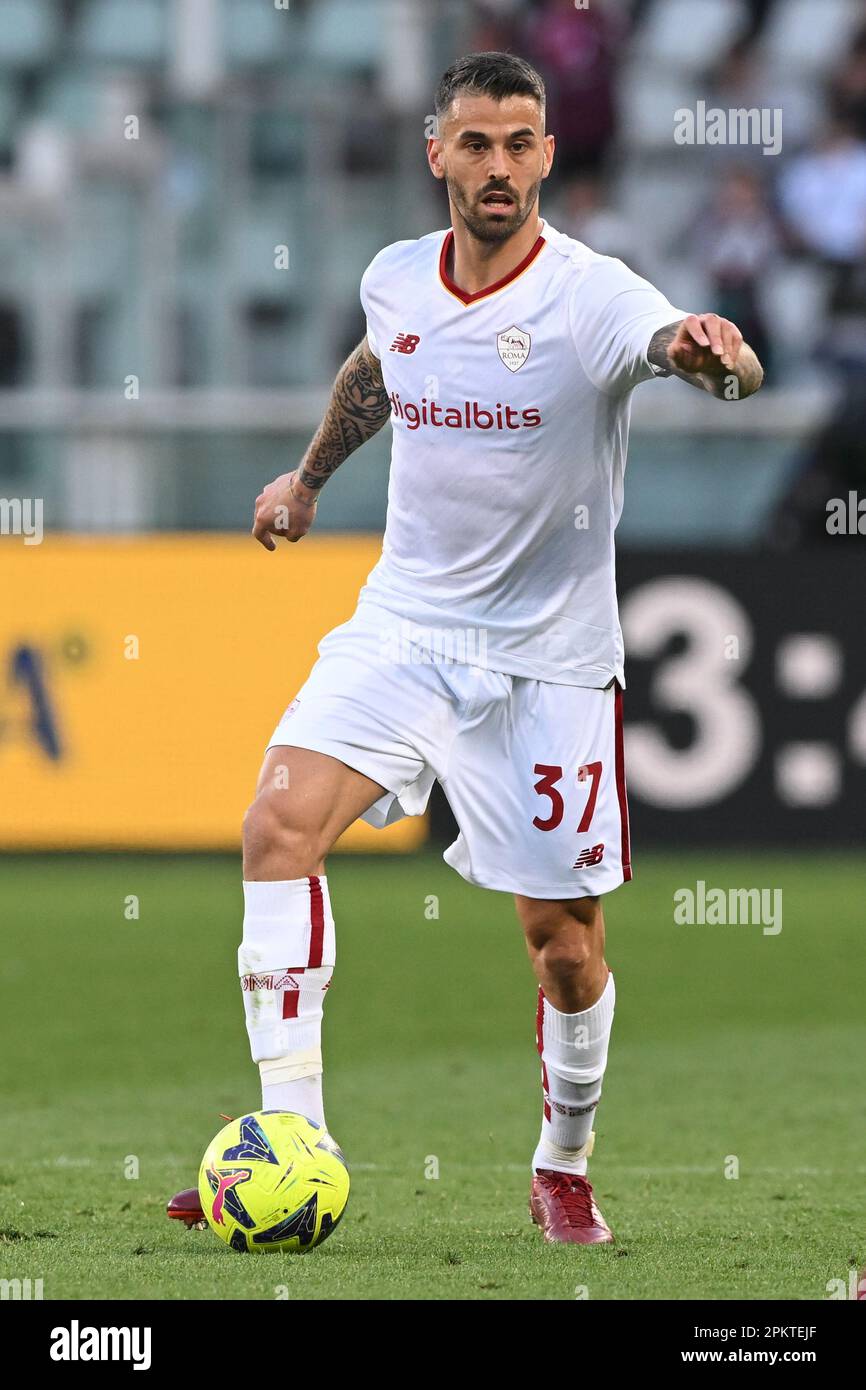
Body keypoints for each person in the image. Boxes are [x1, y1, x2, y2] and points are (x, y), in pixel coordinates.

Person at [168, 51, 763, 1245]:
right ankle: (294, 1142)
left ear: (547, 153)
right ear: (435, 151)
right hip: (403, 628)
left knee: (563, 948)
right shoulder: (394, 278)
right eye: (477, 144)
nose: (500, 167)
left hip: (546, 661)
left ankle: (564, 1159)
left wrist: (718, 359)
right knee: (276, 826)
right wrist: (306, 477)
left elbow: (700, 355)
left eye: (521, 144)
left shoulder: (590, 295)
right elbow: (381, 369)